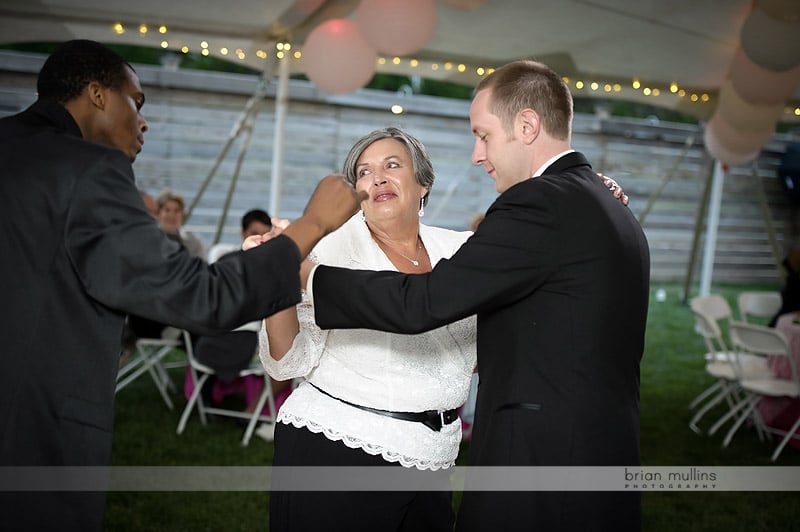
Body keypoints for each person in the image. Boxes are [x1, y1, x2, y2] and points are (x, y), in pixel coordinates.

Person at [0, 39, 364, 532]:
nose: (144, 121)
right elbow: (199, 295)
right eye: (138, 101)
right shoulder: (87, 170)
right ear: (98, 94)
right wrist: (311, 224)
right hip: (27, 431)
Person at [306, 60, 650, 531]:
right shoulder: (609, 204)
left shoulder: (540, 202)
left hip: (539, 463)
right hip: (601, 452)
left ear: (527, 126)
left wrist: (309, 277)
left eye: (483, 135)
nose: (476, 154)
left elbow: (423, 301)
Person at [258, 127, 477, 532]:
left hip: (434, 458)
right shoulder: (329, 251)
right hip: (338, 450)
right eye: (363, 172)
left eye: (392, 165)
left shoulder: (461, 250)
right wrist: (279, 279)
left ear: (423, 183)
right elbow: (287, 361)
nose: (376, 178)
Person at [191, 209, 293, 414]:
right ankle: (253, 412)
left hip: (211, 341)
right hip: (232, 342)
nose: (260, 239)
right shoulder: (231, 263)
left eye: (265, 234)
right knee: (289, 362)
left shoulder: (260, 265)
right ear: (243, 233)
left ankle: (251, 410)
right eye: (255, 233)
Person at [155, 187, 206, 259]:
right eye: (167, 210)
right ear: (158, 213)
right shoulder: (148, 239)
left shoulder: (193, 241)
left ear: (182, 214)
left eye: (176, 211)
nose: (172, 215)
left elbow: (202, 266)